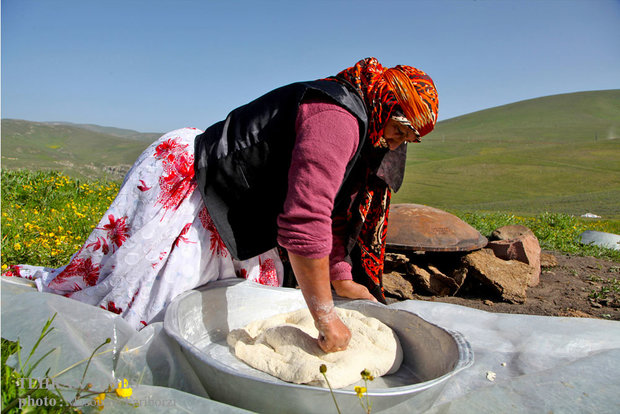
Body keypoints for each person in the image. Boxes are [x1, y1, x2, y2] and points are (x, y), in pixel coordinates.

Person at [4, 57, 438, 353]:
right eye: (401, 131)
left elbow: (334, 213)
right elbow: (305, 219)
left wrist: (342, 278)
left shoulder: (365, 131)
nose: (397, 143)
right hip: (195, 178)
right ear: (386, 103)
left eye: (408, 140)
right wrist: (325, 318)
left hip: (239, 194)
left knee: (242, 305)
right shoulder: (337, 117)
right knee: (146, 311)